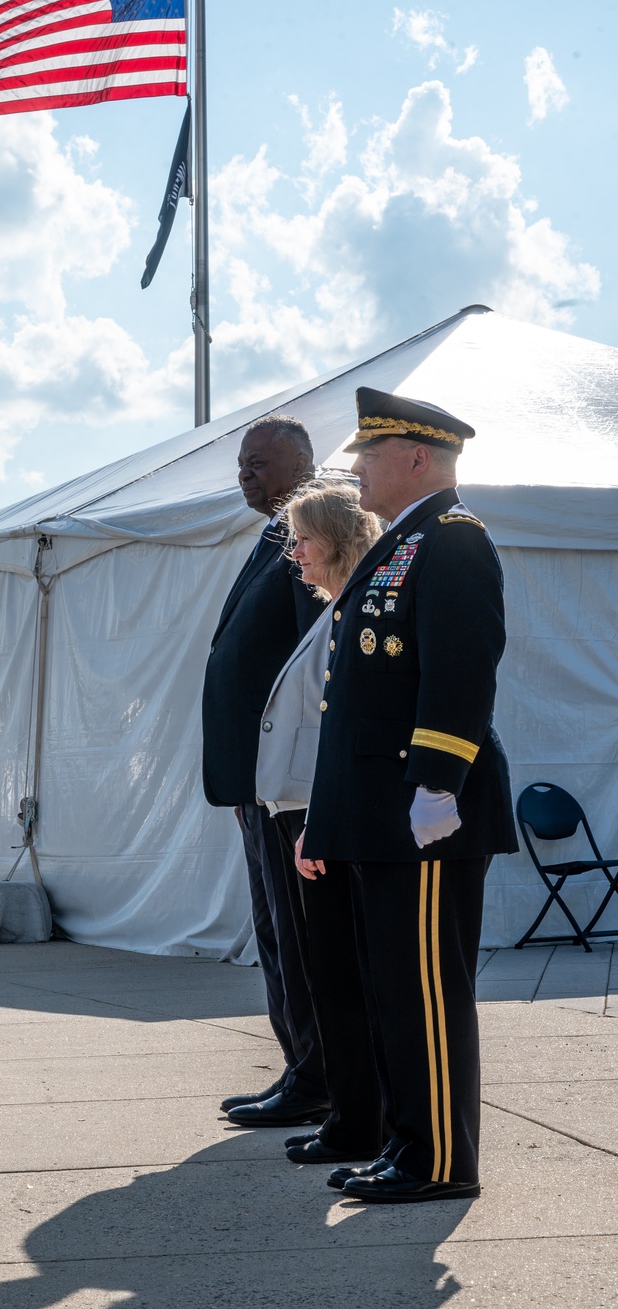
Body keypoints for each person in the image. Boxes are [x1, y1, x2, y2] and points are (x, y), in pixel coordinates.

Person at [299, 386, 518, 1204]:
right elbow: (351, 700)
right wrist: (328, 818)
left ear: (415, 457)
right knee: (393, 985)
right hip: (379, 811)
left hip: (424, 811)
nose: (355, 467)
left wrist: (437, 783)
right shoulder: (404, 542)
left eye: (368, 452)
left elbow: (461, 672)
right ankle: (408, 1143)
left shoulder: (453, 541)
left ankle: (438, 1160)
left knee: (424, 988)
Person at [202, 416, 329, 1128]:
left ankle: (317, 1075)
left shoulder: (308, 533)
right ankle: (300, 1066)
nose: (245, 473)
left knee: (298, 930)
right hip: (256, 779)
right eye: (242, 463)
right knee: (275, 928)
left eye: (259, 462)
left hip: (286, 777)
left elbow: (315, 654)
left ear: (301, 463)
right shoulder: (275, 533)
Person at [254, 480, 386, 1166]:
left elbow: (345, 727)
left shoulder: (353, 611)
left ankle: (357, 1118)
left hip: (320, 812)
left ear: (335, 541)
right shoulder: (335, 608)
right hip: (306, 807)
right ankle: (352, 1116)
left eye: (303, 540)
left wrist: (321, 817)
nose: (295, 555)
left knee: (339, 974)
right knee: (325, 970)